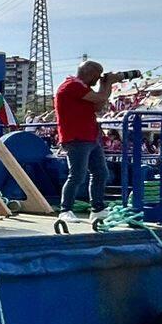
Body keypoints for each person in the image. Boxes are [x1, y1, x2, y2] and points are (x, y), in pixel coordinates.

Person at [55, 60, 119, 212]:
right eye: (97, 77)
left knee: (101, 173)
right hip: (76, 137)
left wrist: (105, 85)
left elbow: (98, 105)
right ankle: (66, 210)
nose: (98, 80)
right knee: (77, 175)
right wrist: (108, 83)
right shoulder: (72, 85)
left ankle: (97, 208)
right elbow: (100, 97)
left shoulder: (83, 89)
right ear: (89, 74)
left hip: (90, 137)